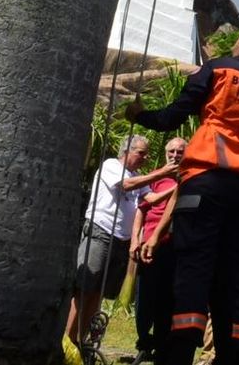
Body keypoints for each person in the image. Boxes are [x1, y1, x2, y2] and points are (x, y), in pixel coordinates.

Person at [127, 17, 239, 365]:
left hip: (205, 181)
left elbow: (169, 118)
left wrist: (139, 115)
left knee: (193, 267)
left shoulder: (219, 69)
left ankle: (177, 354)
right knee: (238, 276)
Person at [66, 134, 178, 344]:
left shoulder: (138, 174)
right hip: (101, 232)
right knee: (85, 289)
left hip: (120, 239)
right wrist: (163, 172)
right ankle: (67, 340)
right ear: (126, 151)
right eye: (141, 153)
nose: (145, 158)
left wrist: (178, 186)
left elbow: (151, 198)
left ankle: (81, 343)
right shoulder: (111, 166)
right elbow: (126, 185)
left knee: (98, 293)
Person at [132, 136, 187, 361]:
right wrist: (136, 239)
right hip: (149, 244)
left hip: (174, 245)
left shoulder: (189, 178)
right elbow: (141, 209)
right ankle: (144, 341)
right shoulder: (157, 176)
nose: (174, 155)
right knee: (144, 296)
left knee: (167, 298)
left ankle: (162, 345)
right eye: (171, 151)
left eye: (179, 151)